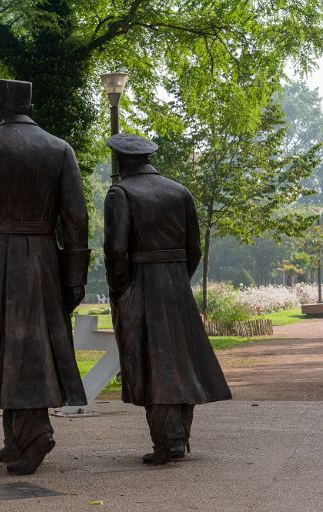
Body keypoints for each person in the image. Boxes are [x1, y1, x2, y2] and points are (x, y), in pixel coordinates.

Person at [0, 79, 90, 476]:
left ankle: (35, 435)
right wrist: (75, 273)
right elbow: (76, 217)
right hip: (45, 258)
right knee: (28, 343)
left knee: (12, 343)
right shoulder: (59, 149)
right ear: (30, 103)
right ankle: (15, 437)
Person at [103, 133, 232, 465]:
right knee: (179, 360)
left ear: (119, 161)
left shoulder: (120, 193)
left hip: (141, 283)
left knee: (151, 359)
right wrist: (177, 277)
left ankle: (169, 439)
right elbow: (194, 248)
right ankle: (177, 435)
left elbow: (116, 249)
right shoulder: (180, 191)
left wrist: (120, 288)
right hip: (176, 283)